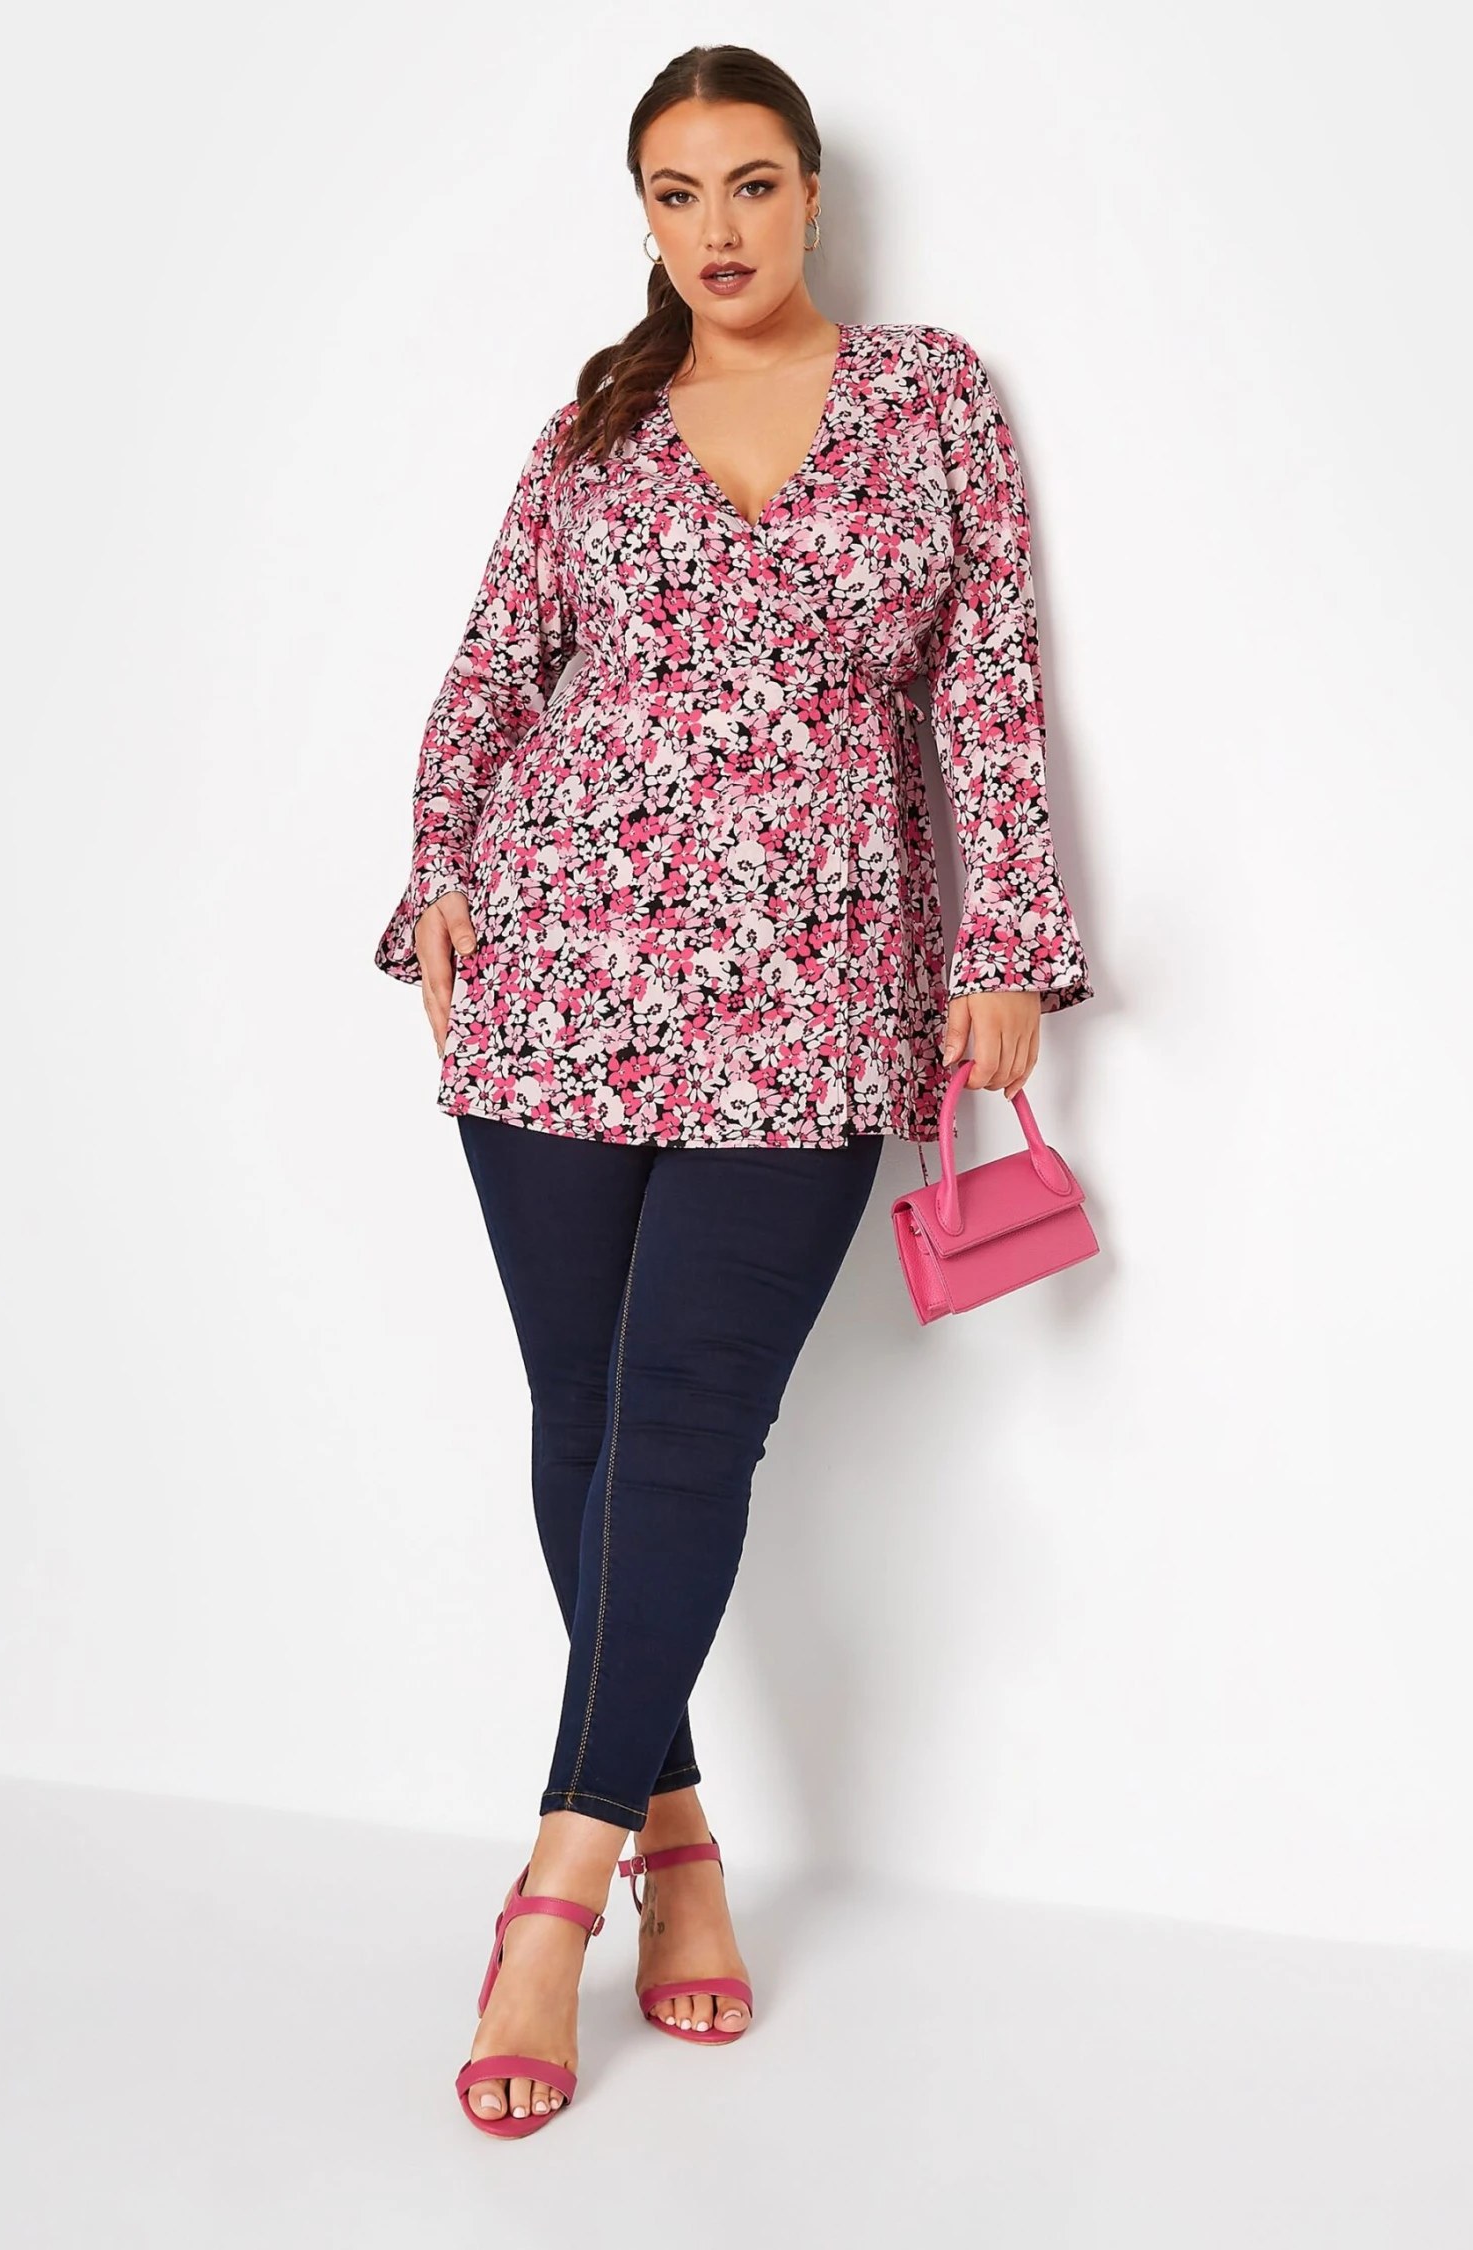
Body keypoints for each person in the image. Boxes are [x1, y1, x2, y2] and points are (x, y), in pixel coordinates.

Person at [373, 43, 1093, 2138]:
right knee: (588, 1423)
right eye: (679, 193)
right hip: (558, 978)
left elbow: (986, 687)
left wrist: (1004, 942)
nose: (719, 228)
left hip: (811, 992)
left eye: (753, 184)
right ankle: (674, 1838)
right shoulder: (593, 431)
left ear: (811, 194)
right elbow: (488, 675)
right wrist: (440, 870)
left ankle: (551, 1894)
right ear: (644, 216)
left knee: (689, 1416)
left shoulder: (930, 398)